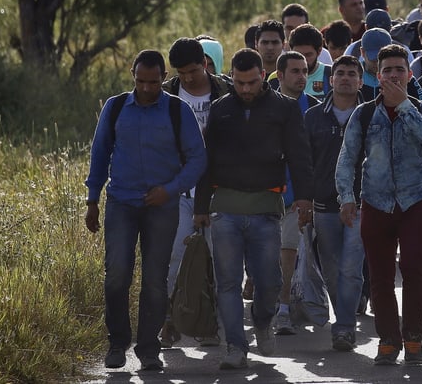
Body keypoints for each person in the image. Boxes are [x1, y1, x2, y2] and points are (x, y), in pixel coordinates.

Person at [85, 50, 207, 371]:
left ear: (164, 78)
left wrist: (170, 189)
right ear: (132, 75)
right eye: (141, 82)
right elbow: (99, 154)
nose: (147, 88)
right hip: (121, 204)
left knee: (155, 279)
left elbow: (197, 159)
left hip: (161, 207)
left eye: (153, 82)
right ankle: (117, 343)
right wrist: (92, 200)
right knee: (116, 275)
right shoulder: (114, 108)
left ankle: (149, 348)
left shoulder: (178, 112)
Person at [193, 48, 313, 369]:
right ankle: (235, 347)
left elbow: (299, 155)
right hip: (226, 209)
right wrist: (201, 207)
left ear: (264, 75)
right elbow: (208, 161)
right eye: (239, 82)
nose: (245, 89)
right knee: (228, 282)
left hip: (266, 208)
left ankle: (262, 322)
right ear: (231, 77)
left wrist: (304, 198)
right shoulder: (220, 110)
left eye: (251, 82)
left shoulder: (285, 109)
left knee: (269, 281)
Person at [335, 44, 422, 366]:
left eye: (400, 69)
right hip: (376, 203)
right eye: (388, 70)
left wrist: (405, 106)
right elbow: (347, 158)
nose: (394, 75)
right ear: (377, 76)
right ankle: (388, 339)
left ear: (409, 74)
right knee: (380, 276)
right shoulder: (364, 113)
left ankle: (413, 338)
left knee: (413, 269)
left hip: (414, 203)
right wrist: (347, 198)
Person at [159, 38, 229, 349]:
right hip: (179, 190)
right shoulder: (167, 94)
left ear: (205, 61)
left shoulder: (226, 91)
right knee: (174, 259)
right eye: (181, 72)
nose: (187, 77)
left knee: (219, 261)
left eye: (192, 70)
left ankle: (209, 323)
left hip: (221, 191)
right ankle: (170, 320)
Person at [305, 55, 366, 352]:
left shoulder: (372, 113)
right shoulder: (313, 116)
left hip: (362, 203)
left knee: (351, 268)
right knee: (331, 268)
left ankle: (344, 328)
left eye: (351, 74)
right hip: (324, 204)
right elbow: (304, 162)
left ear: (359, 80)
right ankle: (343, 316)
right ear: (331, 80)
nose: (344, 78)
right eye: (339, 73)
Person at [271, 51, 320, 335]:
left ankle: (285, 308)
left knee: (288, 252)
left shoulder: (313, 109)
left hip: (296, 196)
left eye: (304, 71)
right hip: (265, 194)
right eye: (295, 71)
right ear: (279, 75)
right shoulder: (266, 107)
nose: (302, 77)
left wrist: (307, 195)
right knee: (266, 257)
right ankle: (270, 304)